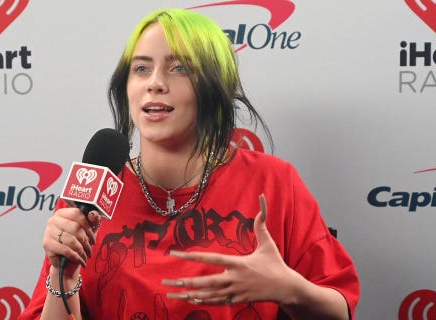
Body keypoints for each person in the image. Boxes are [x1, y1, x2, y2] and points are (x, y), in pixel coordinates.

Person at [20, 8, 360, 320]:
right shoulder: (90, 197)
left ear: (214, 86)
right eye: (141, 69)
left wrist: (289, 289)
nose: (155, 82)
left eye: (179, 68)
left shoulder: (273, 181)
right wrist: (62, 275)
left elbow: (340, 311)